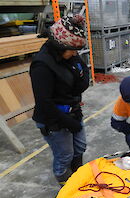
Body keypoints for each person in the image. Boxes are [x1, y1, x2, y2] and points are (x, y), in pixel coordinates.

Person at [30, 14, 89, 186]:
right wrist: (68, 123)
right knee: (65, 155)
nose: (75, 54)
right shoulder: (42, 65)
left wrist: (73, 117)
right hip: (52, 119)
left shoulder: (69, 56)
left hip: (71, 111)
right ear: (60, 45)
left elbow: (81, 80)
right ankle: (64, 179)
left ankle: (77, 173)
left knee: (80, 147)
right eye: (72, 50)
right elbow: (44, 103)